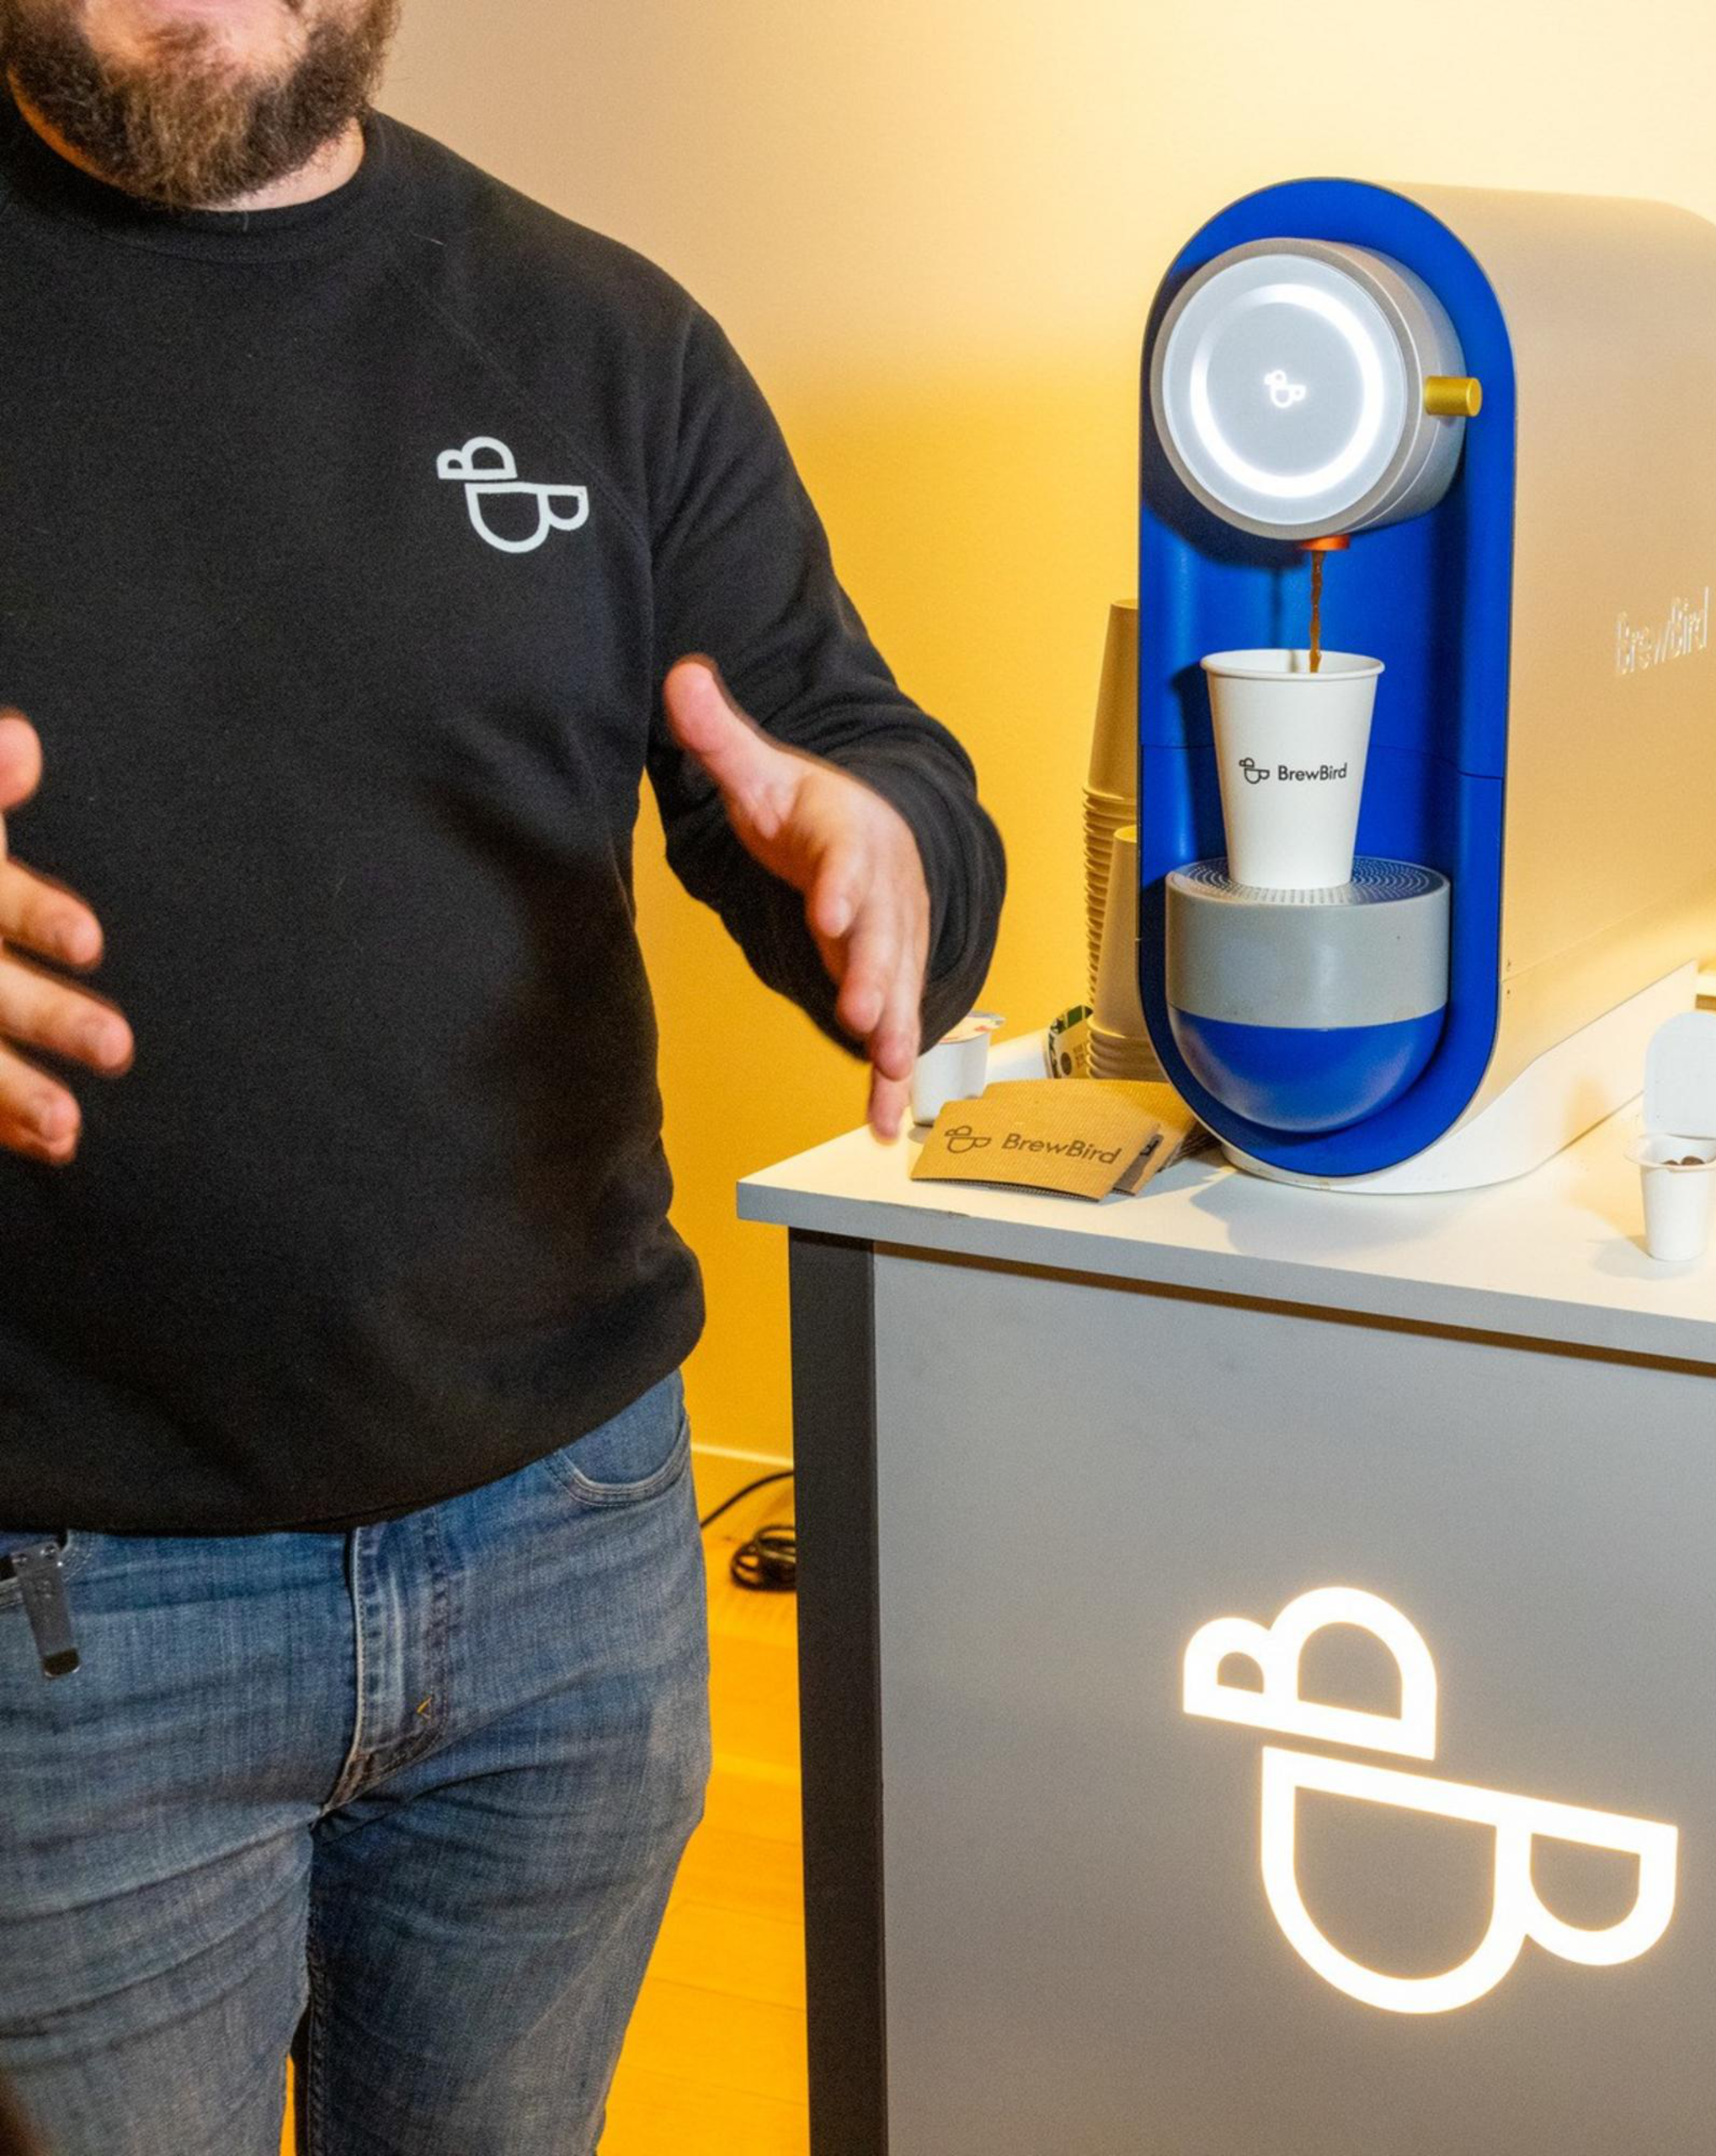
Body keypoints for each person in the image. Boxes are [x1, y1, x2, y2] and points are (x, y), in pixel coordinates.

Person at [0, 0, 1006, 2147]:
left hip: (569, 1563)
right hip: (68, 1614)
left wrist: (883, 849)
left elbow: (857, 752)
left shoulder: (595, 339)